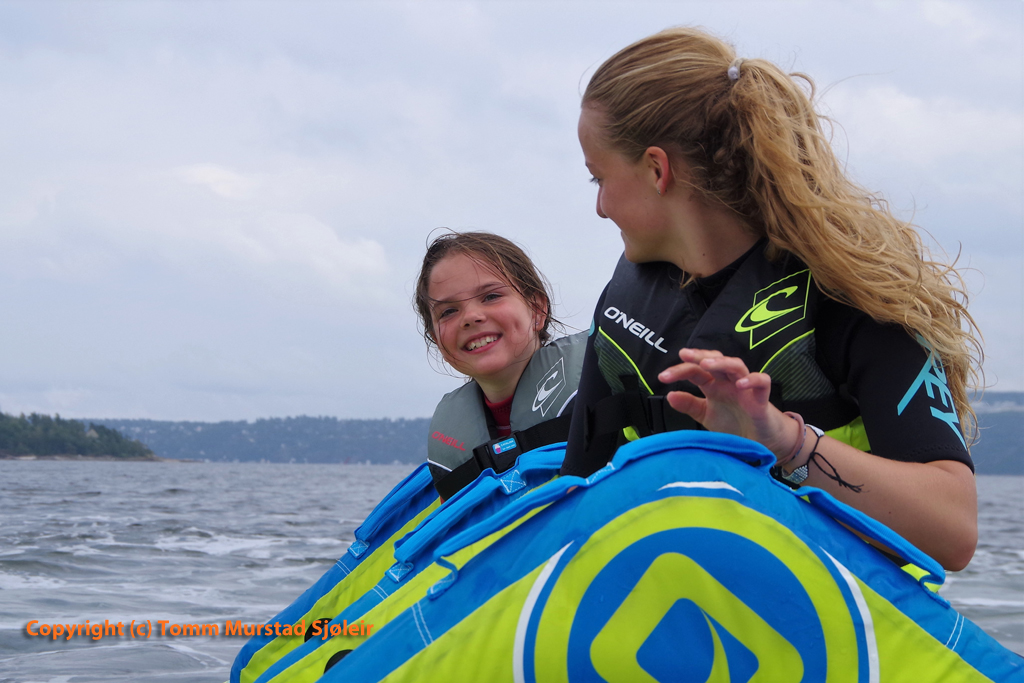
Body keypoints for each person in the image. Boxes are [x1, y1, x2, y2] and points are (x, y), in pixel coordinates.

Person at [561, 28, 981, 571]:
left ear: (657, 169)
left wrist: (785, 441)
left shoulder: (854, 296)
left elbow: (954, 532)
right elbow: (576, 499)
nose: (599, 207)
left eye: (598, 178)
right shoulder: (623, 308)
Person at [415, 231, 587, 500]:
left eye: (491, 296)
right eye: (448, 311)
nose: (471, 317)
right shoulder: (450, 452)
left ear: (537, 310)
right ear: (437, 340)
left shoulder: (602, 381)